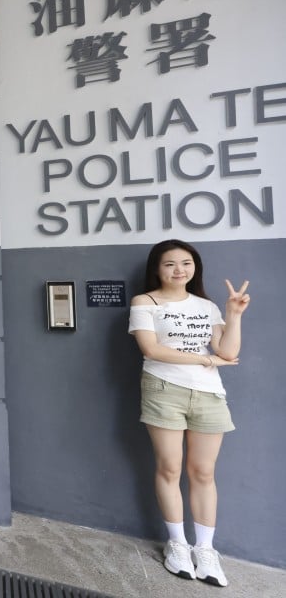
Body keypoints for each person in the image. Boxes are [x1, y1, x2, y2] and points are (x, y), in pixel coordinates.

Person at [128, 239, 251, 588]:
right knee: (170, 468)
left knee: (203, 472)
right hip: (163, 390)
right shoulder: (145, 302)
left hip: (210, 394)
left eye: (186, 263)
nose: (179, 269)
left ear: (194, 268)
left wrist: (234, 314)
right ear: (157, 268)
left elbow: (227, 350)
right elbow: (152, 349)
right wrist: (207, 360)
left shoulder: (207, 305)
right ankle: (177, 545)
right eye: (170, 264)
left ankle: (206, 550)